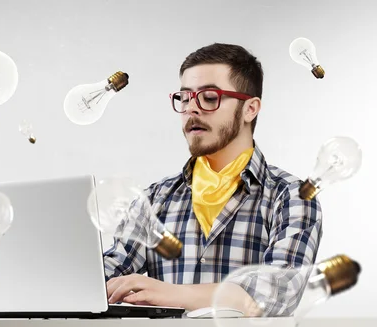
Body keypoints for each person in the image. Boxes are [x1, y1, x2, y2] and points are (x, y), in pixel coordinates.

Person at [103, 43, 323, 315]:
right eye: (184, 98)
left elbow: (274, 293)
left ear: (250, 109)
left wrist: (171, 293)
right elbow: (107, 275)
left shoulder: (292, 197)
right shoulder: (155, 199)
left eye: (209, 97)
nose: (191, 109)